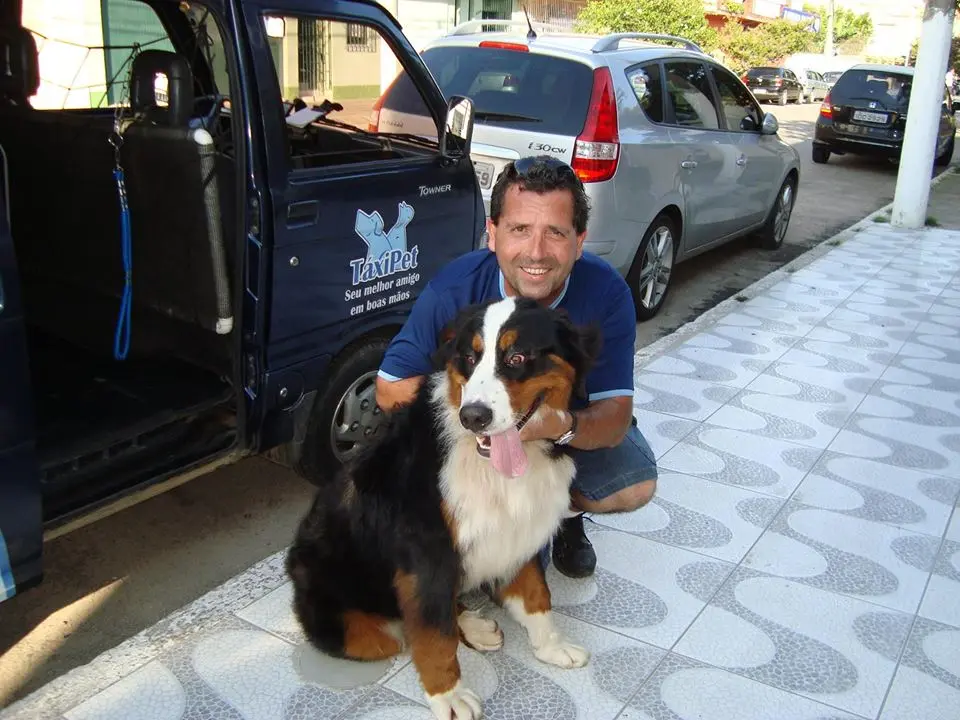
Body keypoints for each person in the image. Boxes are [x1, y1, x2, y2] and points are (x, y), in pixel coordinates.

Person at [374, 155, 658, 579]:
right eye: (519, 230)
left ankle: (561, 517)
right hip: (470, 430)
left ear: (580, 241)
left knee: (634, 482)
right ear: (492, 235)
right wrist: (474, 411)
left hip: (560, 426)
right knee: (488, 570)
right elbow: (389, 388)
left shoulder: (607, 294)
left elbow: (615, 417)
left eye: (556, 233)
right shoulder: (454, 288)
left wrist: (553, 424)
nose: (537, 252)